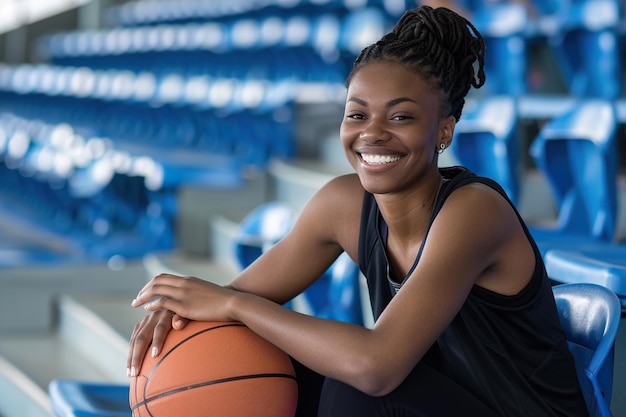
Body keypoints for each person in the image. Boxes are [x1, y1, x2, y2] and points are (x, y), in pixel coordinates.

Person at [128, 6, 589, 416]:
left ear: (443, 132)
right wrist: (181, 318)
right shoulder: (343, 204)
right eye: (357, 114)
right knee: (259, 358)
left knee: (357, 389)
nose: (372, 134)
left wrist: (230, 301)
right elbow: (230, 307)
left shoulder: (474, 211)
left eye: (401, 117)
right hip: (434, 401)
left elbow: (377, 368)